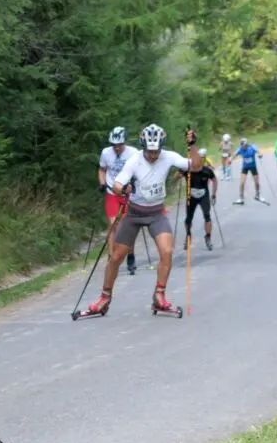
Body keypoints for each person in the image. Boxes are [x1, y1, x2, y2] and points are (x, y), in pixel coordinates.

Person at [84, 124, 201, 316]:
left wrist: (193, 145)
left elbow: (196, 166)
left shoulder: (169, 156)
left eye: (156, 151)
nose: (153, 155)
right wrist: (123, 189)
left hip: (156, 213)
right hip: (134, 214)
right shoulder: (135, 159)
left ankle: (159, 296)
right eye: (149, 151)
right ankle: (104, 298)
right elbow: (118, 184)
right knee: (116, 257)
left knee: (167, 251)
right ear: (143, 147)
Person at [98, 126, 139, 275]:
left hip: (127, 194)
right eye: (114, 145)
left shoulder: (133, 153)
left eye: (120, 145)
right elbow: (102, 169)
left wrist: (133, 184)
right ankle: (111, 258)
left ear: (124, 143)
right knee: (113, 224)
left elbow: (138, 171)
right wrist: (102, 183)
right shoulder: (106, 153)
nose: (117, 148)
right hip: (111, 192)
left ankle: (130, 255)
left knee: (127, 226)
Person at [175, 148, 218, 251]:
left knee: (207, 216)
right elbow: (175, 178)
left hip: (204, 195)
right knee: (188, 219)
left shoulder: (207, 170)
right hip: (191, 197)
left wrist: (213, 194)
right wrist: (180, 171)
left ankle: (208, 238)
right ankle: (188, 236)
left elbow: (214, 180)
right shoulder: (187, 169)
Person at [231, 137, 266, 205]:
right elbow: (234, 155)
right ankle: (241, 198)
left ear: (246, 144)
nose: (243, 147)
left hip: (253, 167)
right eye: (242, 146)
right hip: (245, 167)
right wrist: (230, 160)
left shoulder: (252, 147)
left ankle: (257, 195)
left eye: (244, 145)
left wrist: (260, 155)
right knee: (242, 183)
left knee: (256, 182)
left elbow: (259, 152)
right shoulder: (240, 149)